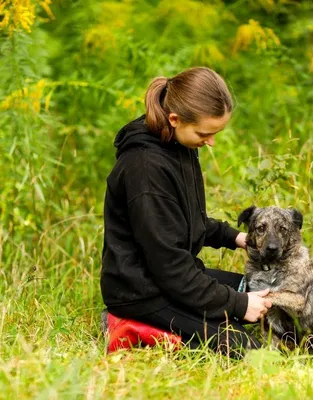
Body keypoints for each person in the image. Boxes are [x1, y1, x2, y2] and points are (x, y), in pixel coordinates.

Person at [100, 67, 272, 358]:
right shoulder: (144, 169)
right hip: (142, 292)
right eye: (205, 133)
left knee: (263, 297)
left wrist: (238, 238)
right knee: (248, 350)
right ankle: (127, 325)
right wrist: (239, 304)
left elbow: (186, 220)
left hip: (168, 278)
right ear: (175, 119)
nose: (211, 142)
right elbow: (171, 268)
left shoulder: (177, 144)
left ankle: (166, 325)